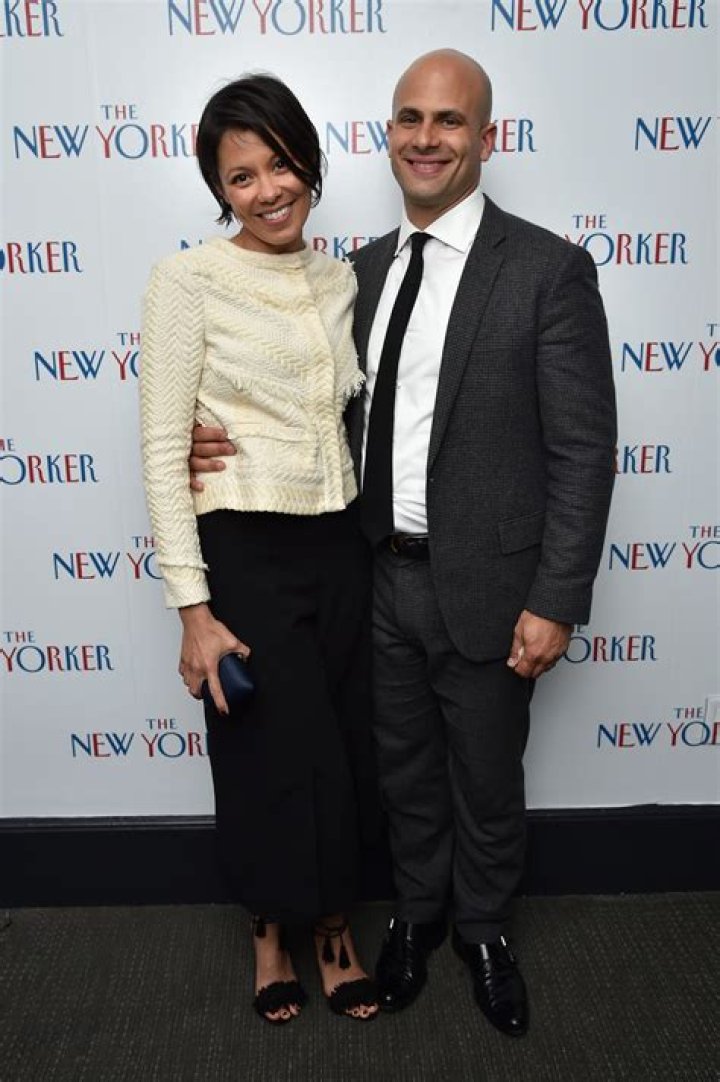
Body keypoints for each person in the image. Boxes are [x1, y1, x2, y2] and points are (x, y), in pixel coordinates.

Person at [189, 50, 617, 1038]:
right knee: (404, 775)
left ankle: (485, 932)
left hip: (490, 587)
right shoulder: (360, 271)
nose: (427, 138)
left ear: (486, 138)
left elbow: (583, 451)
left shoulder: (547, 270)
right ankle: (418, 917)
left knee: (486, 776)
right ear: (389, 134)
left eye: (449, 121)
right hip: (369, 578)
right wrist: (204, 434)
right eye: (410, 119)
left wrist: (556, 599)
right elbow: (309, 407)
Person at [139, 74, 379, 1025]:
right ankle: (271, 932)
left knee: (341, 747)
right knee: (262, 753)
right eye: (242, 177)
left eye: (281, 165)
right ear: (220, 189)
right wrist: (193, 611)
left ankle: (333, 925)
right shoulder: (187, 281)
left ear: (308, 164)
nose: (268, 190)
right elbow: (164, 449)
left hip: (340, 543)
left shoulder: (340, 279)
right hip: (242, 545)